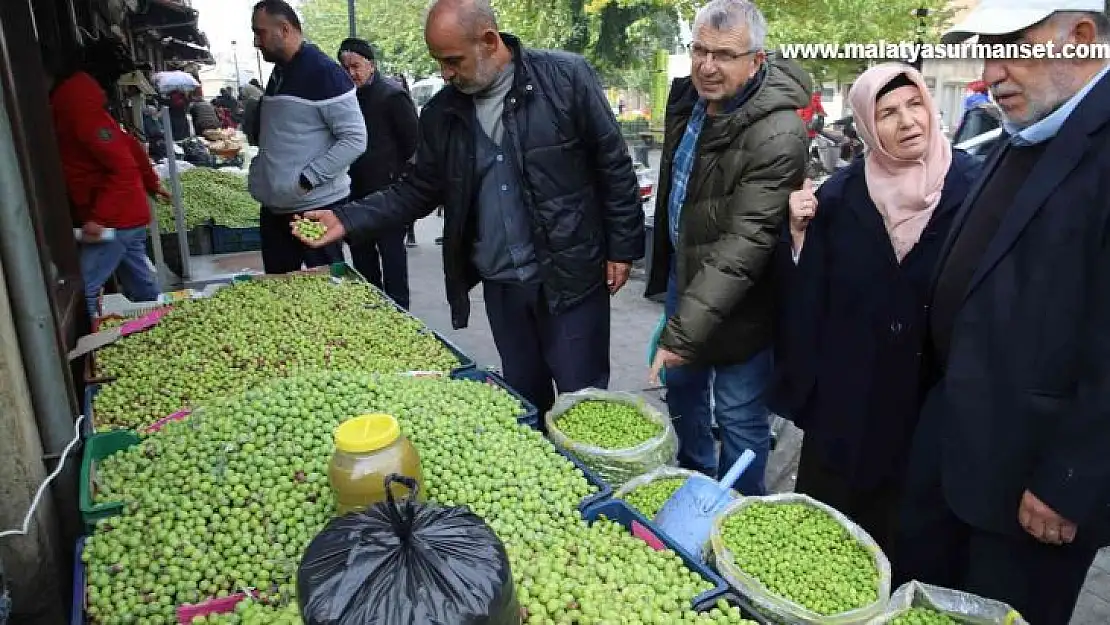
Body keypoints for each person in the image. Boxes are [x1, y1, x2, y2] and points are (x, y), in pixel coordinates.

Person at [294, 0, 643, 417]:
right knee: (525, 402)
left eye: (453, 60)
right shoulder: (444, 113)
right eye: (439, 62)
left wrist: (622, 248)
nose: (445, 73)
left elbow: (613, 164)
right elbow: (416, 188)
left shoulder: (565, 79)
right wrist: (347, 218)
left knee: (583, 406)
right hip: (503, 286)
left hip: (570, 278)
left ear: (490, 41)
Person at [895, 3, 1110, 623]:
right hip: (957, 452)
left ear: (1081, 37)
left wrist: (1069, 479)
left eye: (1012, 47)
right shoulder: (1030, 133)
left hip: (1033, 489)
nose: (992, 73)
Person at [772, 63, 981, 555]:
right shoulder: (841, 196)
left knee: (911, 544)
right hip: (848, 407)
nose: (907, 121)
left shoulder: (974, 188)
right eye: (887, 112)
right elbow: (808, 300)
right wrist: (797, 237)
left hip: (929, 408)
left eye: (915, 105)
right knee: (828, 546)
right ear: (867, 125)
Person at [643, 0, 808, 495]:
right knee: (683, 394)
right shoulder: (687, 100)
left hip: (744, 303)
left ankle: (737, 512)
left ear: (756, 61)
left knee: (738, 416)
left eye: (725, 55)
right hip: (687, 280)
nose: (707, 66)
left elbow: (744, 244)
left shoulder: (779, 133)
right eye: (699, 50)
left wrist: (680, 334)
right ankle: (696, 484)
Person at [50, 37, 167, 317]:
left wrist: (99, 219)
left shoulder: (76, 105)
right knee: (141, 286)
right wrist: (151, 183)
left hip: (117, 221)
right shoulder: (86, 103)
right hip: (127, 214)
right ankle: (164, 323)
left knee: (84, 289)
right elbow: (130, 148)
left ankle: (92, 350)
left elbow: (123, 165)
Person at [248, 0, 367, 273]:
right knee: (279, 291)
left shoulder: (324, 73)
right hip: (276, 208)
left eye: (260, 32)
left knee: (326, 293)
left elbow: (355, 139)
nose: (256, 41)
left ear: (285, 29)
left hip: (315, 209)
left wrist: (307, 179)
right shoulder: (280, 72)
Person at [338, 38, 420, 308]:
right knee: (362, 261)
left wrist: (402, 185)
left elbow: (414, 145)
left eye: (356, 66)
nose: (351, 73)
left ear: (371, 65)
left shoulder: (392, 96)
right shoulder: (344, 99)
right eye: (345, 67)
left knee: (393, 259)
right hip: (354, 194)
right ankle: (373, 312)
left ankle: (400, 315)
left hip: (388, 196)